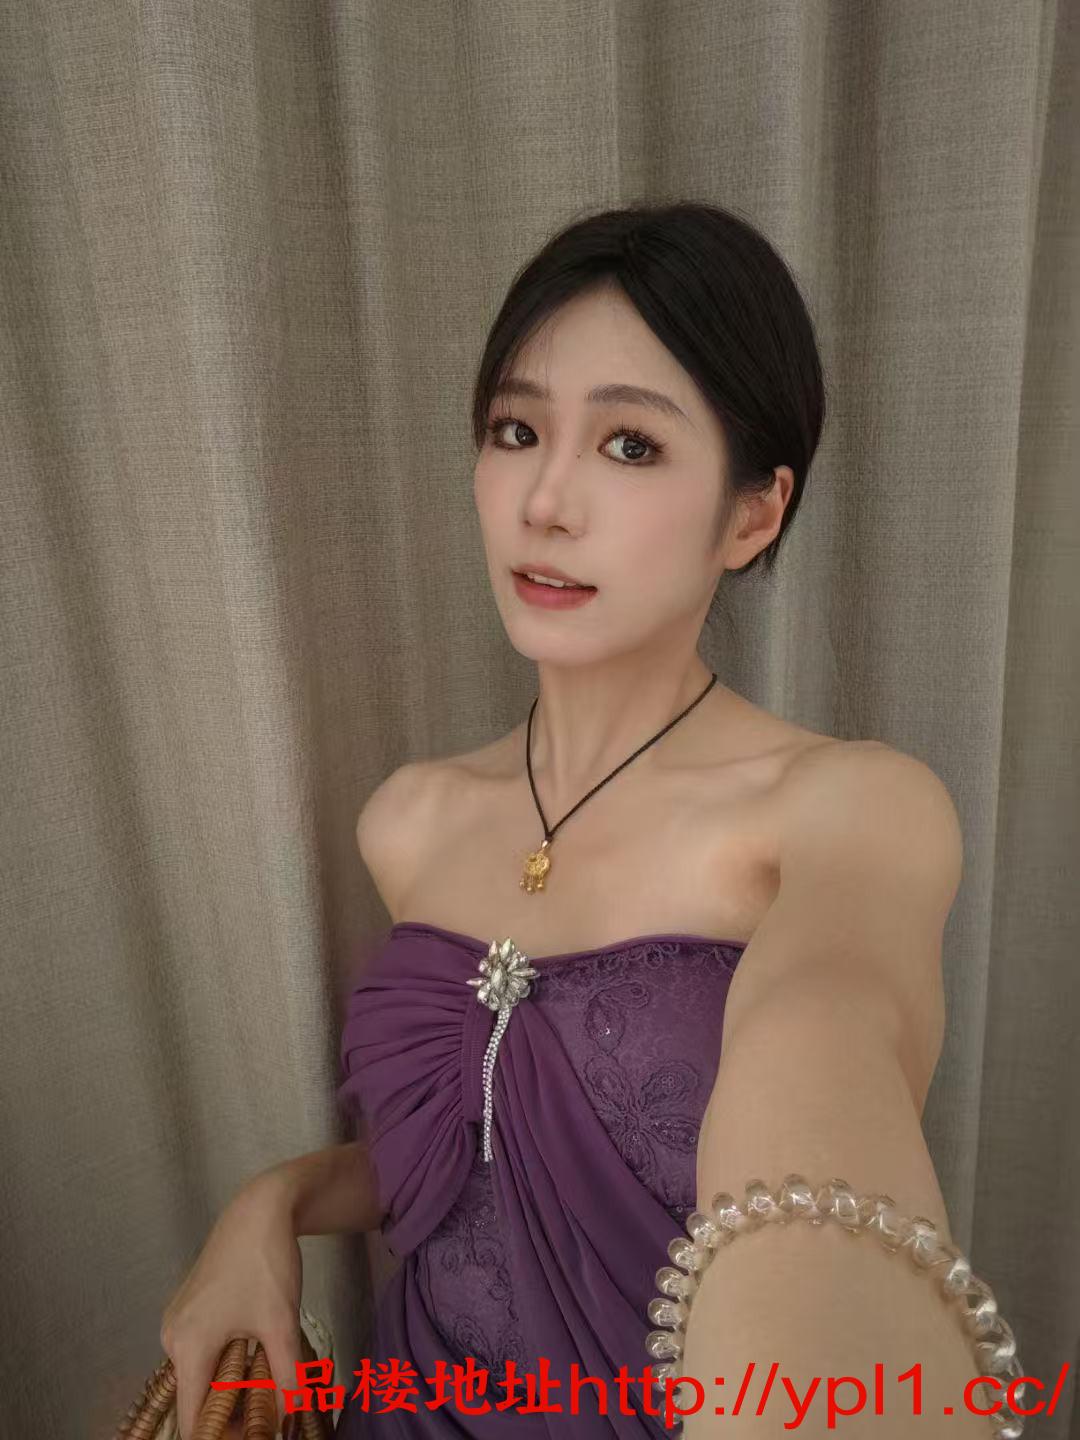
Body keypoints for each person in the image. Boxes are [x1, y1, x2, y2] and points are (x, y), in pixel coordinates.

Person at [161, 202, 1001, 1439]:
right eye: (517, 431)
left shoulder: (847, 808)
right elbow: (476, 1156)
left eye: (629, 446)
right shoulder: (411, 821)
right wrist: (273, 1203)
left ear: (752, 515)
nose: (545, 500)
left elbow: (826, 1059)